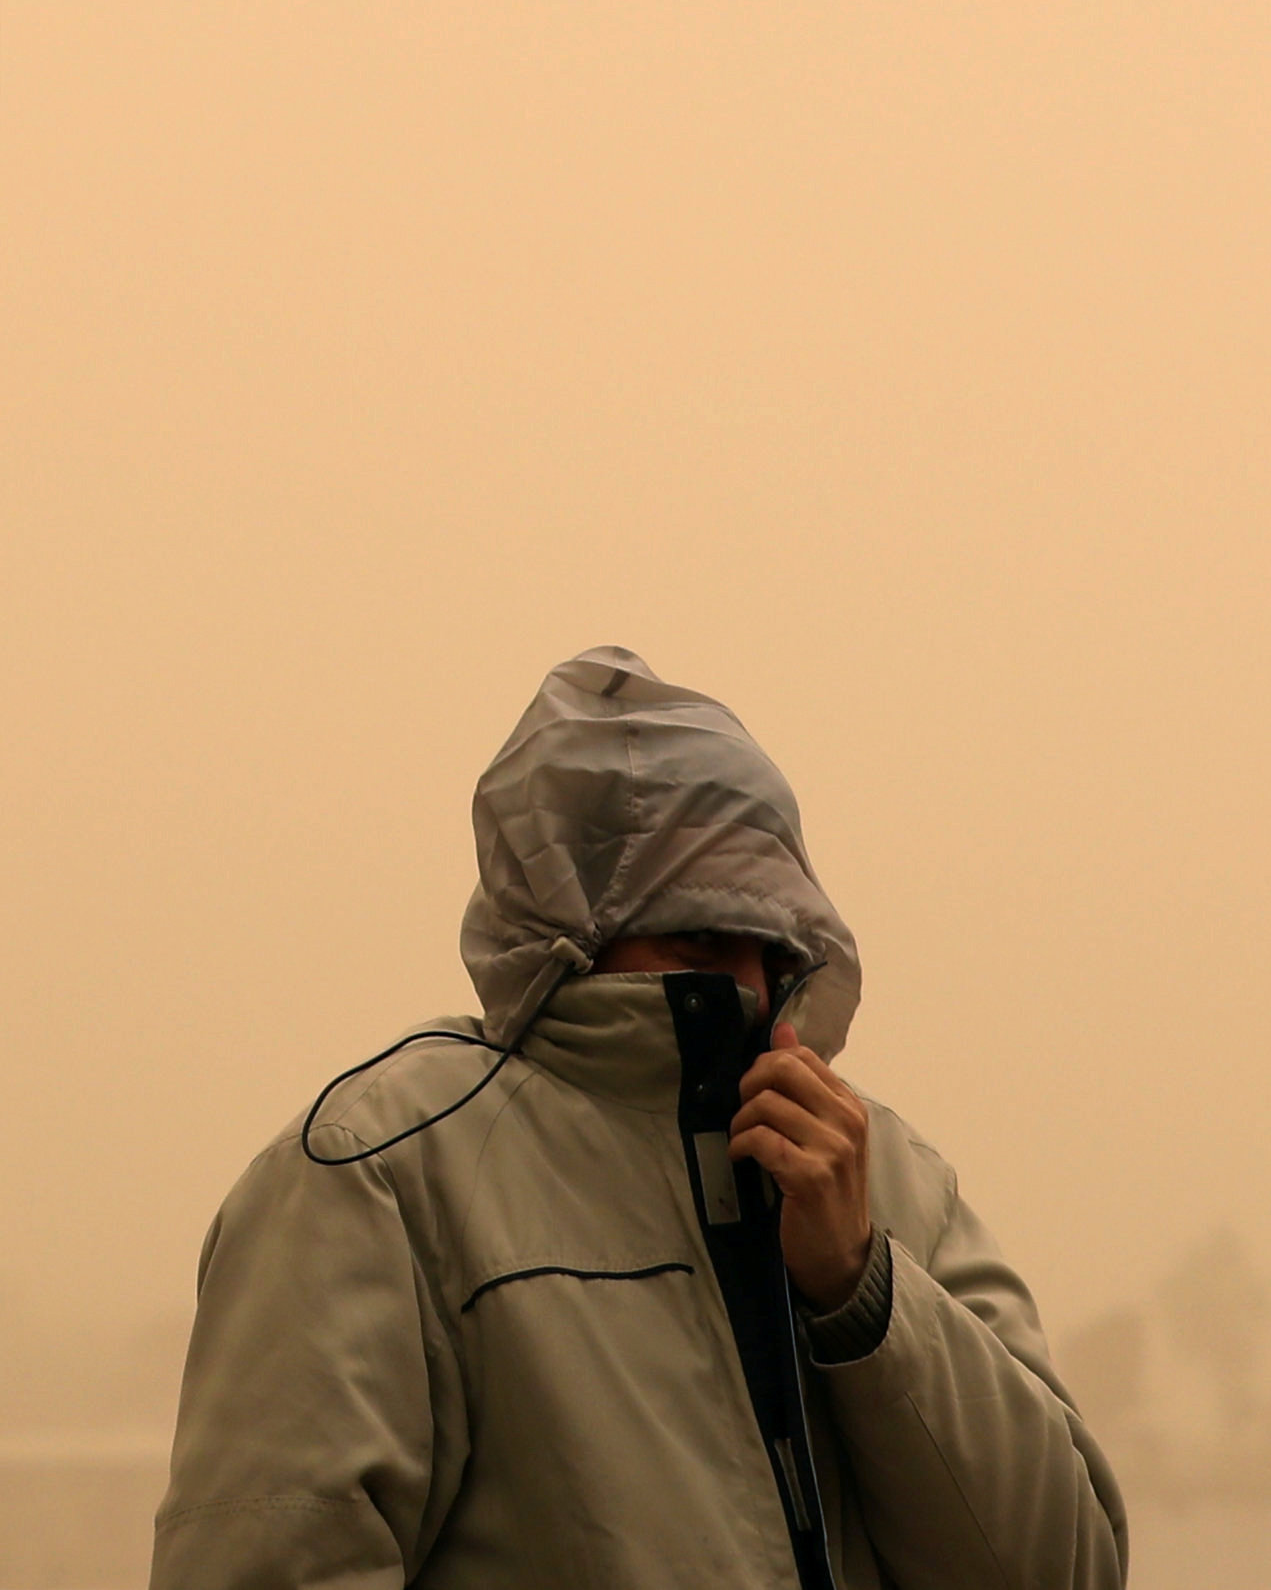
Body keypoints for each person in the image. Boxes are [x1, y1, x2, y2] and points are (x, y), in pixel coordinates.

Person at [152, 647, 1127, 1590]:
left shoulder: (886, 1176)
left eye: (773, 944)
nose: (745, 985)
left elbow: (1068, 1569)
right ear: (562, 935)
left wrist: (860, 1289)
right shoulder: (374, 1174)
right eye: (699, 932)